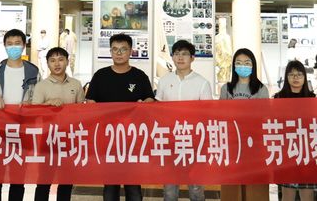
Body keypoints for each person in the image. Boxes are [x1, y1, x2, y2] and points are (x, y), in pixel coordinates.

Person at [85, 33, 154, 201]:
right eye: (115, 49)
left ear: (130, 51)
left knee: (133, 187)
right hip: (107, 138)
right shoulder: (101, 75)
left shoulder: (139, 76)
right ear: (110, 51)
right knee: (110, 186)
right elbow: (90, 101)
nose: (119, 53)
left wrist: (144, 104)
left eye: (123, 49)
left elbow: (150, 99)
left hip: (132, 138)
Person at [0, 30, 39, 201]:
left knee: (18, 177)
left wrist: (31, 103)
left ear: (24, 45)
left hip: (22, 130)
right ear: (5, 46)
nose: (14, 47)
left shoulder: (33, 71)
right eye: (10, 44)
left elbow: (40, 96)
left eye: (17, 43)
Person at [157, 40, 212, 201]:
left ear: (192, 58)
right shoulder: (164, 81)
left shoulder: (202, 83)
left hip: (194, 141)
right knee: (169, 190)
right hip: (169, 141)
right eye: (177, 54)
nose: (180, 58)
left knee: (196, 189)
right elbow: (157, 111)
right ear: (172, 57)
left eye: (185, 54)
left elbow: (207, 115)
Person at [32, 47, 85, 201]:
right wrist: (47, 104)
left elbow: (83, 111)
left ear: (67, 62)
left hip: (70, 138)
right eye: (53, 60)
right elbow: (33, 113)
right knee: (44, 181)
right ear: (47, 64)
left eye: (61, 59)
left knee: (66, 181)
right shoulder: (41, 85)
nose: (57, 64)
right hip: (48, 139)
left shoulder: (76, 84)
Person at [273, 61, 316, 201]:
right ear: (286, 77)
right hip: (287, 150)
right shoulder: (278, 98)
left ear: (305, 77)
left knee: (307, 195)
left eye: (299, 74)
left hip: (307, 151)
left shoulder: (313, 98)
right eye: (291, 74)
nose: (295, 78)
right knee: (287, 195)